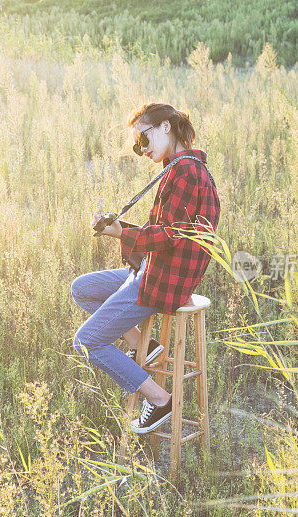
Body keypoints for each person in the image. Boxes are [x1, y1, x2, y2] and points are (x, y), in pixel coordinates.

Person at [71, 102, 221, 433]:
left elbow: (169, 235)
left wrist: (122, 232)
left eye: (143, 137)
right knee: (81, 288)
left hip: (163, 281)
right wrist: (120, 228)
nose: (141, 148)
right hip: (156, 270)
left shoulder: (186, 172)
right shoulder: (182, 167)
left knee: (87, 341)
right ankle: (144, 346)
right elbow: (170, 231)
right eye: (137, 143)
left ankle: (159, 398)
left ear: (166, 127)